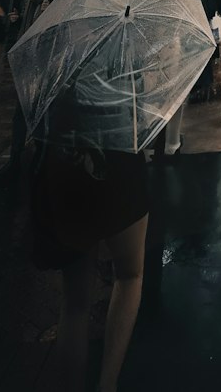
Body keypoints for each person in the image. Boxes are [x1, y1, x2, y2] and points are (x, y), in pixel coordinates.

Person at [29, 107, 147, 391]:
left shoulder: (53, 63)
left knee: (74, 302)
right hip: (121, 152)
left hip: (64, 155)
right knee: (130, 276)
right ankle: (107, 384)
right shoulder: (129, 60)